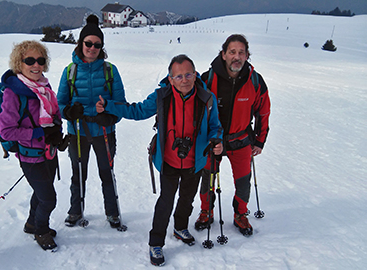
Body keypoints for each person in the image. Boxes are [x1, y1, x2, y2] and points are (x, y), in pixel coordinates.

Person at [96, 54, 223, 266]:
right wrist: (109, 106)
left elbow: (215, 126)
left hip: (196, 161)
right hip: (169, 161)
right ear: (170, 78)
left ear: (195, 74)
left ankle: (180, 227)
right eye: (179, 76)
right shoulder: (161, 97)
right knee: (165, 202)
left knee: (187, 199)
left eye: (188, 74)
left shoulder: (206, 98)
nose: (185, 79)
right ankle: (156, 242)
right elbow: (136, 110)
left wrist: (216, 140)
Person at [195, 34, 271, 236]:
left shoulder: (255, 81)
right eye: (232, 52)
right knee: (207, 177)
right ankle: (206, 211)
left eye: (241, 52)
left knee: (243, 180)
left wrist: (260, 140)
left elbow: (263, 111)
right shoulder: (207, 79)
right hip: (214, 141)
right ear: (223, 54)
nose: (236, 57)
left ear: (247, 56)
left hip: (241, 139)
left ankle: (240, 214)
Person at [57, 15, 127, 229]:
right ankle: (75, 211)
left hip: (104, 131)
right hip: (77, 132)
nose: (92, 48)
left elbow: (120, 103)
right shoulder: (70, 71)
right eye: (88, 43)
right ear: (81, 43)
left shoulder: (110, 70)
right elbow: (59, 104)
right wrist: (70, 111)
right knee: (78, 173)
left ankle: (112, 213)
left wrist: (110, 115)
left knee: (107, 173)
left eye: (97, 44)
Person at [0, 40, 63, 251]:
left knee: (41, 193)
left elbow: (53, 114)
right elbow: (6, 131)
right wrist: (40, 132)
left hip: (49, 152)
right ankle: (41, 230)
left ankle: (31, 223)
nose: (36, 65)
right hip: (30, 157)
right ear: (20, 63)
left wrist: (56, 134)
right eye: (30, 60)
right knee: (48, 199)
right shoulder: (13, 93)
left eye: (41, 60)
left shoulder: (44, 86)